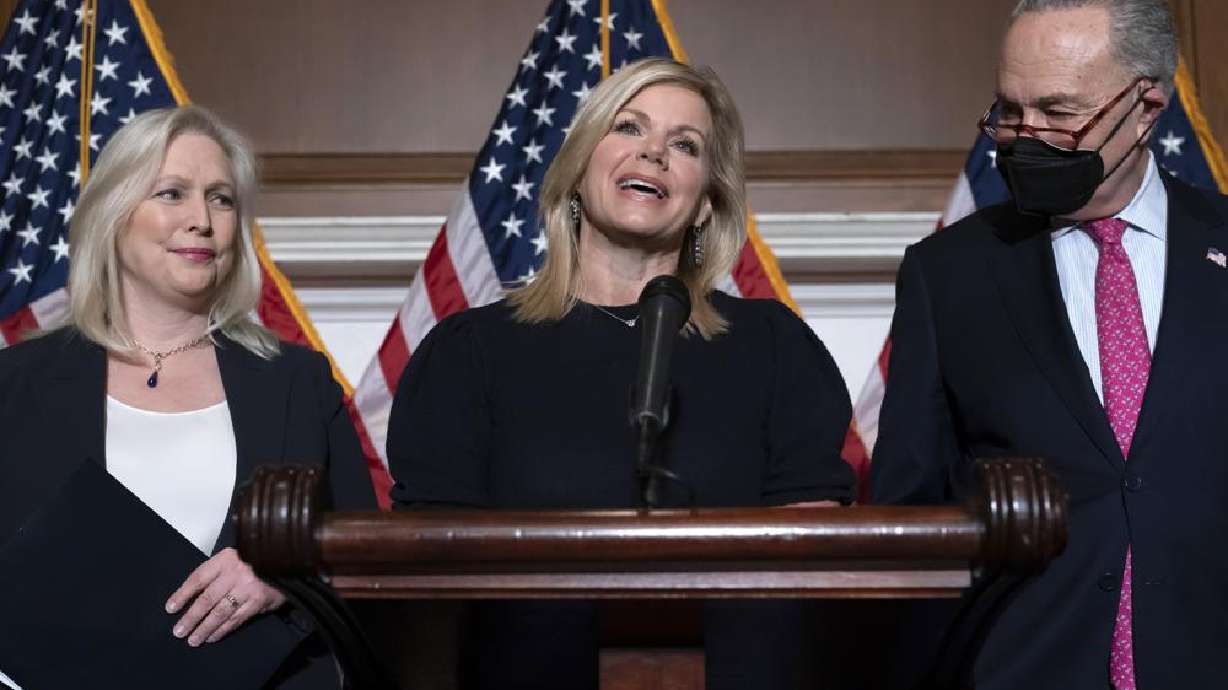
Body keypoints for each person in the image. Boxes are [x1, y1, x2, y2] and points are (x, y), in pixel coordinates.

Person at [387, 57, 855, 690]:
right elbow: (428, 585)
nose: (654, 154)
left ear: (704, 203)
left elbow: (816, 561)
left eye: (684, 145)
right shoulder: (467, 356)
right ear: (579, 169)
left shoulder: (774, 347)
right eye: (629, 129)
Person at [871, 1, 1228, 688]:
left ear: (1147, 107)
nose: (1023, 138)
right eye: (1010, 110)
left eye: (1059, 113)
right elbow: (909, 522)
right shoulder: (947, 276)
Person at [0, 105, 376, 688]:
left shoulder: (296, 383)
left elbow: (367, 557)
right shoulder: (15, 385)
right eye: (172, 193)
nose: (201, 219)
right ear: (114, 213)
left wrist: (286, 579)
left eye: (221, 198)